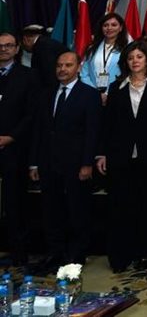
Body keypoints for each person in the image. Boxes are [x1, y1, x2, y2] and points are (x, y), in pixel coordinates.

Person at [30, 51, 101, 269]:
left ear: (78, 68)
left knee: (77, 210)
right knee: (51, 210)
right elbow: (38, 130)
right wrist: (34, 162)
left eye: (68, 65)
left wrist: (87, 163)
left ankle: (76, 255)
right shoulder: (46, 93)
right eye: (59, 65)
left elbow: (92, 132)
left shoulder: (89, 95)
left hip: (77, 164)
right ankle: (55, 252)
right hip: (48, 162)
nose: (62, 69)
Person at [98, 41, 147, 273]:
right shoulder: (116, 88)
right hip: (120, 158)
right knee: (120, 208)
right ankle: (121, 256)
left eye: (139, 56)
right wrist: (102, 153)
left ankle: (146, 254)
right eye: (130, 58)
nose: (135, 61)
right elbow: (107, 125)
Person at [0, 33, 35, 267]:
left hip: (15, 147)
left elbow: (32, 113)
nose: (3, 49)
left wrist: (11, 137)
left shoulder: (28, 76)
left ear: (16, 48)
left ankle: (18, 253)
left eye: (8, 45)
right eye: (0, 46)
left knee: (15, 203)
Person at [80, 13, 129, 94]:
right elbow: (84, 74)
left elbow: (127, 74)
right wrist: (94, 92)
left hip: (116, 93)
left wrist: (107, 93)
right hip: (91, 93)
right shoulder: (92, 48)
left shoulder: (127, 49)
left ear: (120, 28)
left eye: (114, 25)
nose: (109, 28)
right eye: (105, 25)